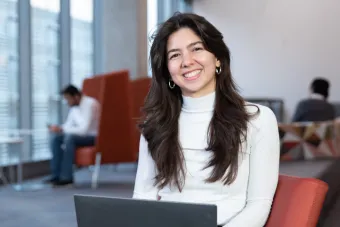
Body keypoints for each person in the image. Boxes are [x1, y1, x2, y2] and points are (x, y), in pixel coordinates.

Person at [133, 12, 280, 227]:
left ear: (217, 58)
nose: (187, 62)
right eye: (174, 55)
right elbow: (143, 200)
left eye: (197, 49)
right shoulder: (155, 126)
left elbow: (258, 205)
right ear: (167, 71)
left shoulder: (257, 119)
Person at [45, 85, 100, 186]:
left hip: (92, 137)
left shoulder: (90, 103)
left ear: (76, 97)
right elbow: (67, 126)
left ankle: (67, 177)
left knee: (69, 138)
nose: (67, 102)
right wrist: (59, 129)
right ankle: (56, 175)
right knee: (56, 138)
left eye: (68, 99)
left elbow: (84, 130)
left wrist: (63, 129)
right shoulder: (74, 108)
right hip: (77, 136)